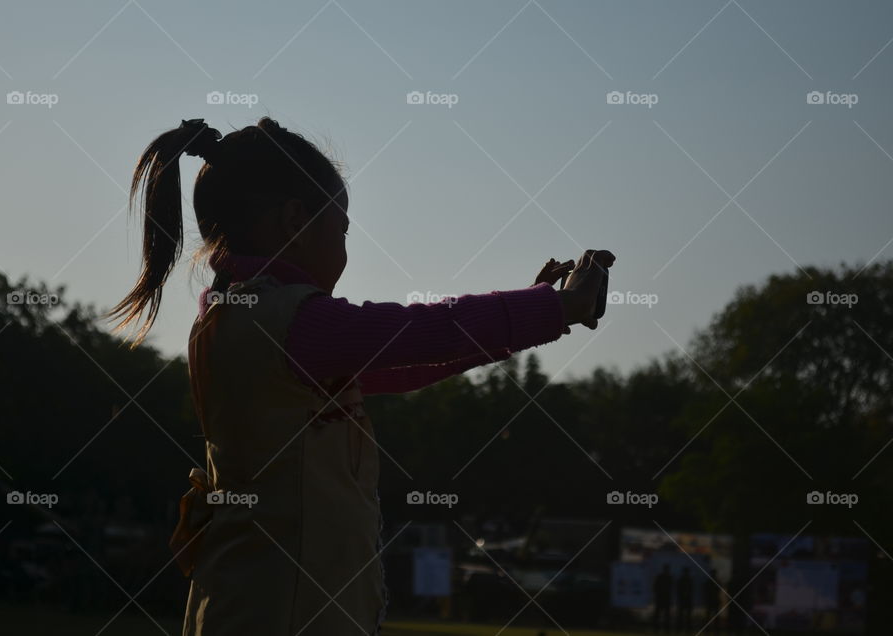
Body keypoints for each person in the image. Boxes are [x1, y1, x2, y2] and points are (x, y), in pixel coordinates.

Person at [109, 117, 615, 635]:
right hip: (287, 612)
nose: (346, 248)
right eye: (342, 228)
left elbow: (412, 359)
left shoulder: (236, 317)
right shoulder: (290, 321)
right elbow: (426, 331)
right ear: (294, 221)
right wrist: (558, 307)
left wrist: (536, 309)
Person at [653, 564, 673, 632]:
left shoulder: (666, 577)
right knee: (661, 614)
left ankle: (662, 628)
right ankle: (660, 628)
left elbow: (655, 587)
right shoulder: (667, 577)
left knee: (663, 614)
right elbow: (655, 587)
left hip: (663, 598)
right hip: (662, 598)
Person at [676, 567, 693, 632]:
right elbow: (678, 590)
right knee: (683, 614)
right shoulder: (686, 580)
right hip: (684, 600)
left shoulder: (687, 580)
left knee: (685, 615)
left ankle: (684, 627)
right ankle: (682, 627)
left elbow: (691, 590)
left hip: (685, 600)